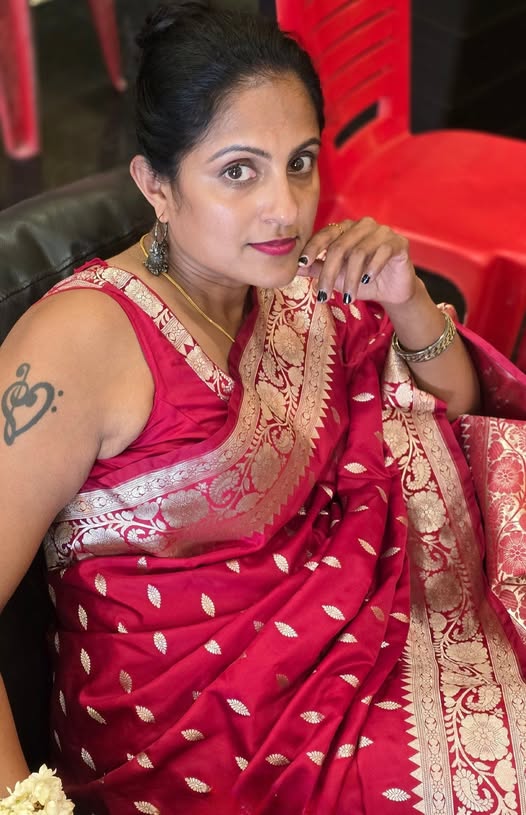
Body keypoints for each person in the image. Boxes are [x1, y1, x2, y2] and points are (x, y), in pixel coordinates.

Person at [0, 2, 525, 813]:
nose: (285, 207)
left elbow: (454, 410)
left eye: (300, 162)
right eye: (239, 171)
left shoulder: (292, 286)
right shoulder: (80, 342)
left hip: (364, 648)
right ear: (155, 185)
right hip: (192, 743)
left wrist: (409, 298)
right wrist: (24, 805)